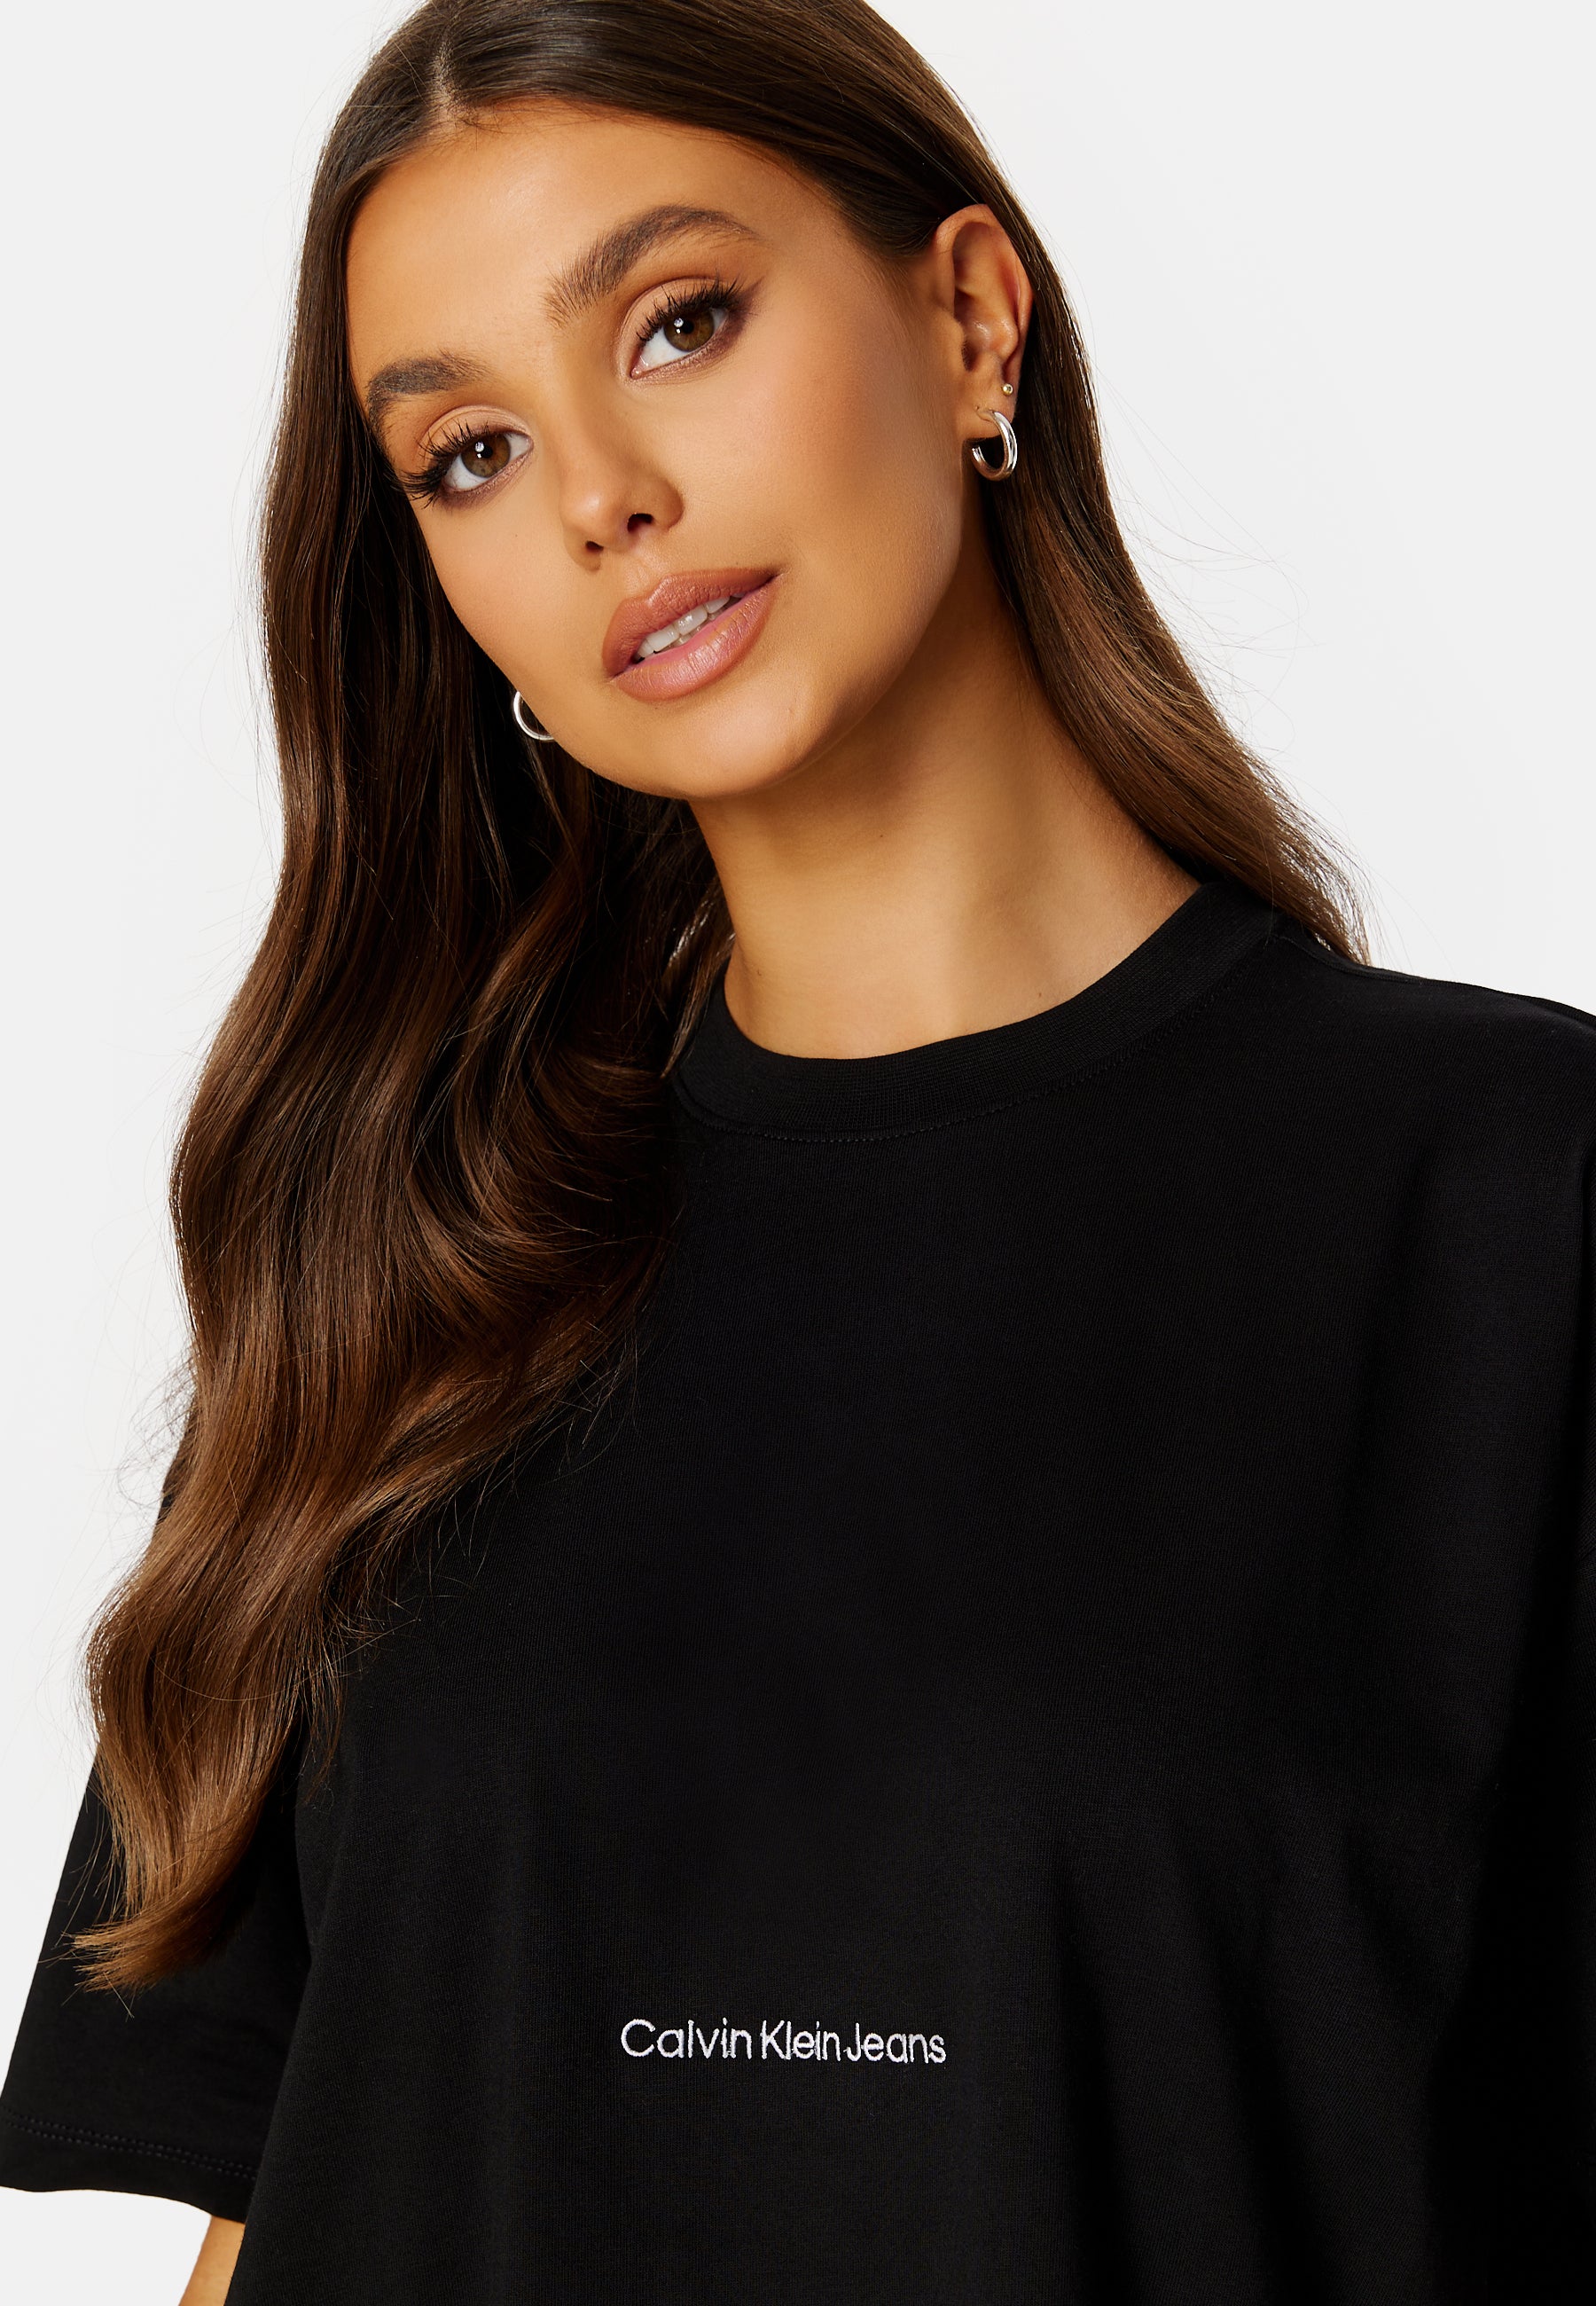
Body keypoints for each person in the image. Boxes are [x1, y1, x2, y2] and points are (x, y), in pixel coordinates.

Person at [4, 0, 1594, 2299]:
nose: (596, 497)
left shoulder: (1508, 1208)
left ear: (970, 319)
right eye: (467, 453)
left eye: (680, 322)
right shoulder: (402, 1271)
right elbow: (283, 2216)